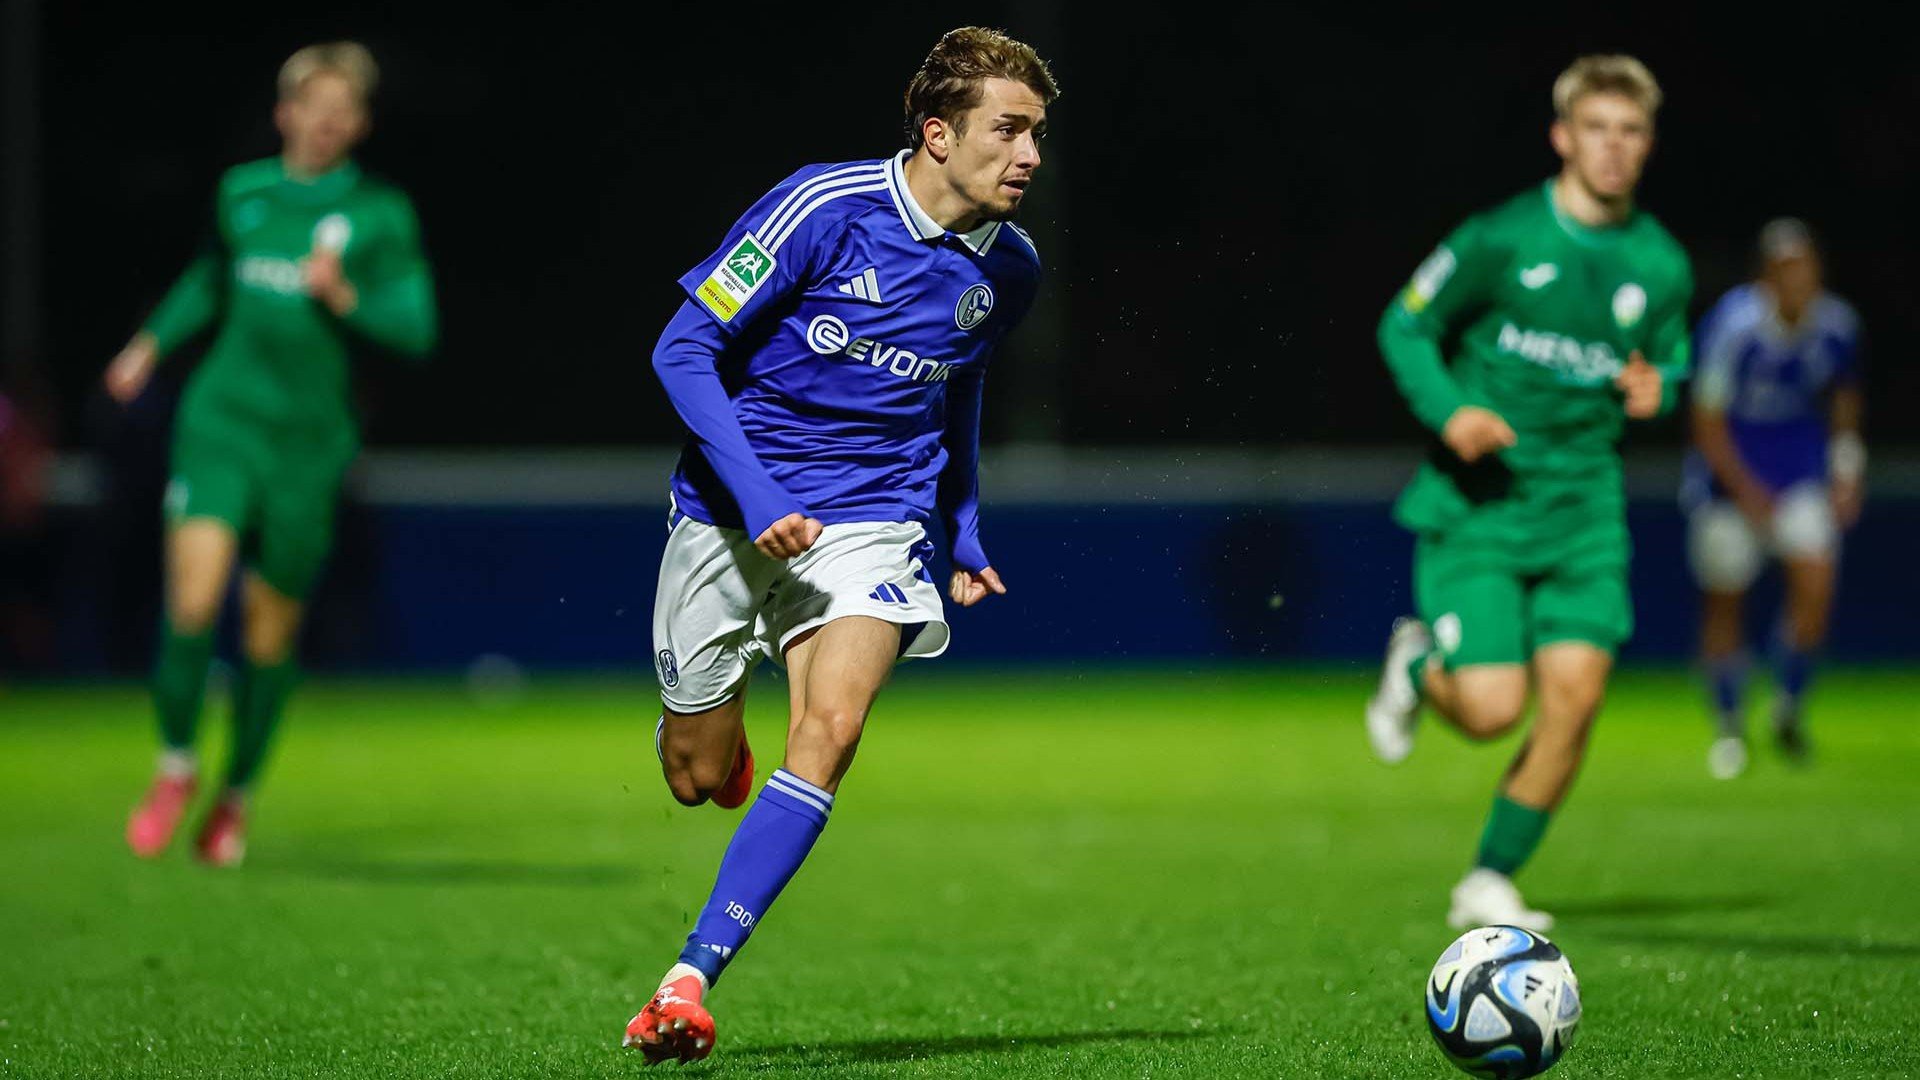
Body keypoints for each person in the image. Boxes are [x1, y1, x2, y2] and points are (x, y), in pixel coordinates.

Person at [620, 26, 1055, 1064]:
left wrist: (961, 521)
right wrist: (759, 491)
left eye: (1038, 133)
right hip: (730, 516)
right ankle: (718, 751)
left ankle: (686, 982)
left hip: (874, 522)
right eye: (1010, 129)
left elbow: (963, 383)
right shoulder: (824, 207)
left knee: (835, 727)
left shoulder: (1013, 268)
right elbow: (682, 347)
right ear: (939, 134)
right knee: (694, 773)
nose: (1031, 154)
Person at [1364, 55, 1692, 931]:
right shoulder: (1503, 237)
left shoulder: (1659, 262)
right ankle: (1418, 661)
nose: (1614, 148)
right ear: (1563, 136)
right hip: (1483, 506)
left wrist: (1661, 385)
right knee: (1491, 711)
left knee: (1576, 700)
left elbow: (1669, 357)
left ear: (1648, 144)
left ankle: (1488, 879)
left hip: (1584, 514)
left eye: (1630, 132)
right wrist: (1452, 411)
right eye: (1597, 128)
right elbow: (1405, 323)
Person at [110, 42, 436, 866]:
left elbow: (416, 328)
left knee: (266, 634)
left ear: (360, 124)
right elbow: (210, 280)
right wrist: (148, 347)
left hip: (308, 445)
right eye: (311, 105)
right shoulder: (243, 193)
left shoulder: (381, 214)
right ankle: (176, 765)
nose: (325, 123)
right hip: (221, 423)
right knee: (191, 602)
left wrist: (346, 296)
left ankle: (236, 796)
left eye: (343, 110)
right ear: (284, 111)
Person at [1684, 218, 1863, 778]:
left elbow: (1844, 397)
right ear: (1765, 275)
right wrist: (1743, 490)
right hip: (1727, 484)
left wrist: (1846, 467)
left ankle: (1787, 705)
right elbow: (1706, 418)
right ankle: (1729, 725)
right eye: (1787, 268)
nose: (1800, 278)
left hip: (1797, 476)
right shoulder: (1733, 326)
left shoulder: (1836, 324)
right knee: (1725, 601)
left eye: (1807, 265)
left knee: (1816, 580)